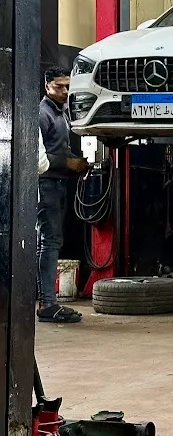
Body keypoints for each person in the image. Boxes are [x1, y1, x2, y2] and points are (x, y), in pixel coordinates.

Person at [38, 67, 88, 323]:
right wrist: (69, 163)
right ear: (47, 85)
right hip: (46, 184)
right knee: (49, 242)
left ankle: (47, 301)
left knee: (52, 241)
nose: (65, 91)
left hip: (58, 184)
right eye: (59, 87)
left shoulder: (62, 112)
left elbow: (60, 146)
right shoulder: (42, 114)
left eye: (68, 86)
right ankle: (47, 303)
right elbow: (39, 157)